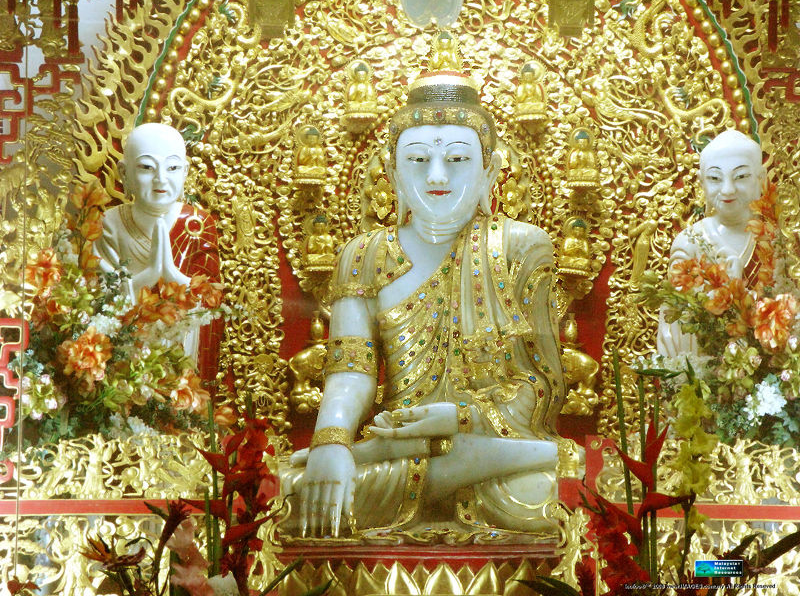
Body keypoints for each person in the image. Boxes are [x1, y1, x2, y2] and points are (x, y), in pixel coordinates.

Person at [281, 64, 571, 540]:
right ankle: (441, 470)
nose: (437, 176)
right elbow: (350, 370)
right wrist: (332, 440)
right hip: (401, 445)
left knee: (546, 493)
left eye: (457, 160)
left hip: (499, 455)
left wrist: (458, 418)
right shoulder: (365, 254)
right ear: (392, 171)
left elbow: (544, 386)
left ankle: (457, 464)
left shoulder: (522, 246)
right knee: (292, 494)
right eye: (418, 160)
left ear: (490, 170)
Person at [94, 123, 222, 387]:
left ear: (186, 171)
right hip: (128, 357)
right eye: (146, 167)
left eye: (173, 167)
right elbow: (100, 302)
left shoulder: (197, 224)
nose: (161, 179)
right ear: (123, 172)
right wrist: (148, 276)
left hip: (181, 347)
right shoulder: (110, 222)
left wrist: (173, 275)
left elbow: (211, 299)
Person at [656, 129, 764, 357]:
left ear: (760, 179)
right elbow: (675, 323)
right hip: (706, 373)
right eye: (715, 178)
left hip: (768, 374)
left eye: (741, 176)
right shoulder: (690, 243)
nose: (727, 190)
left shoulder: (775, 240)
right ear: (701, 183)